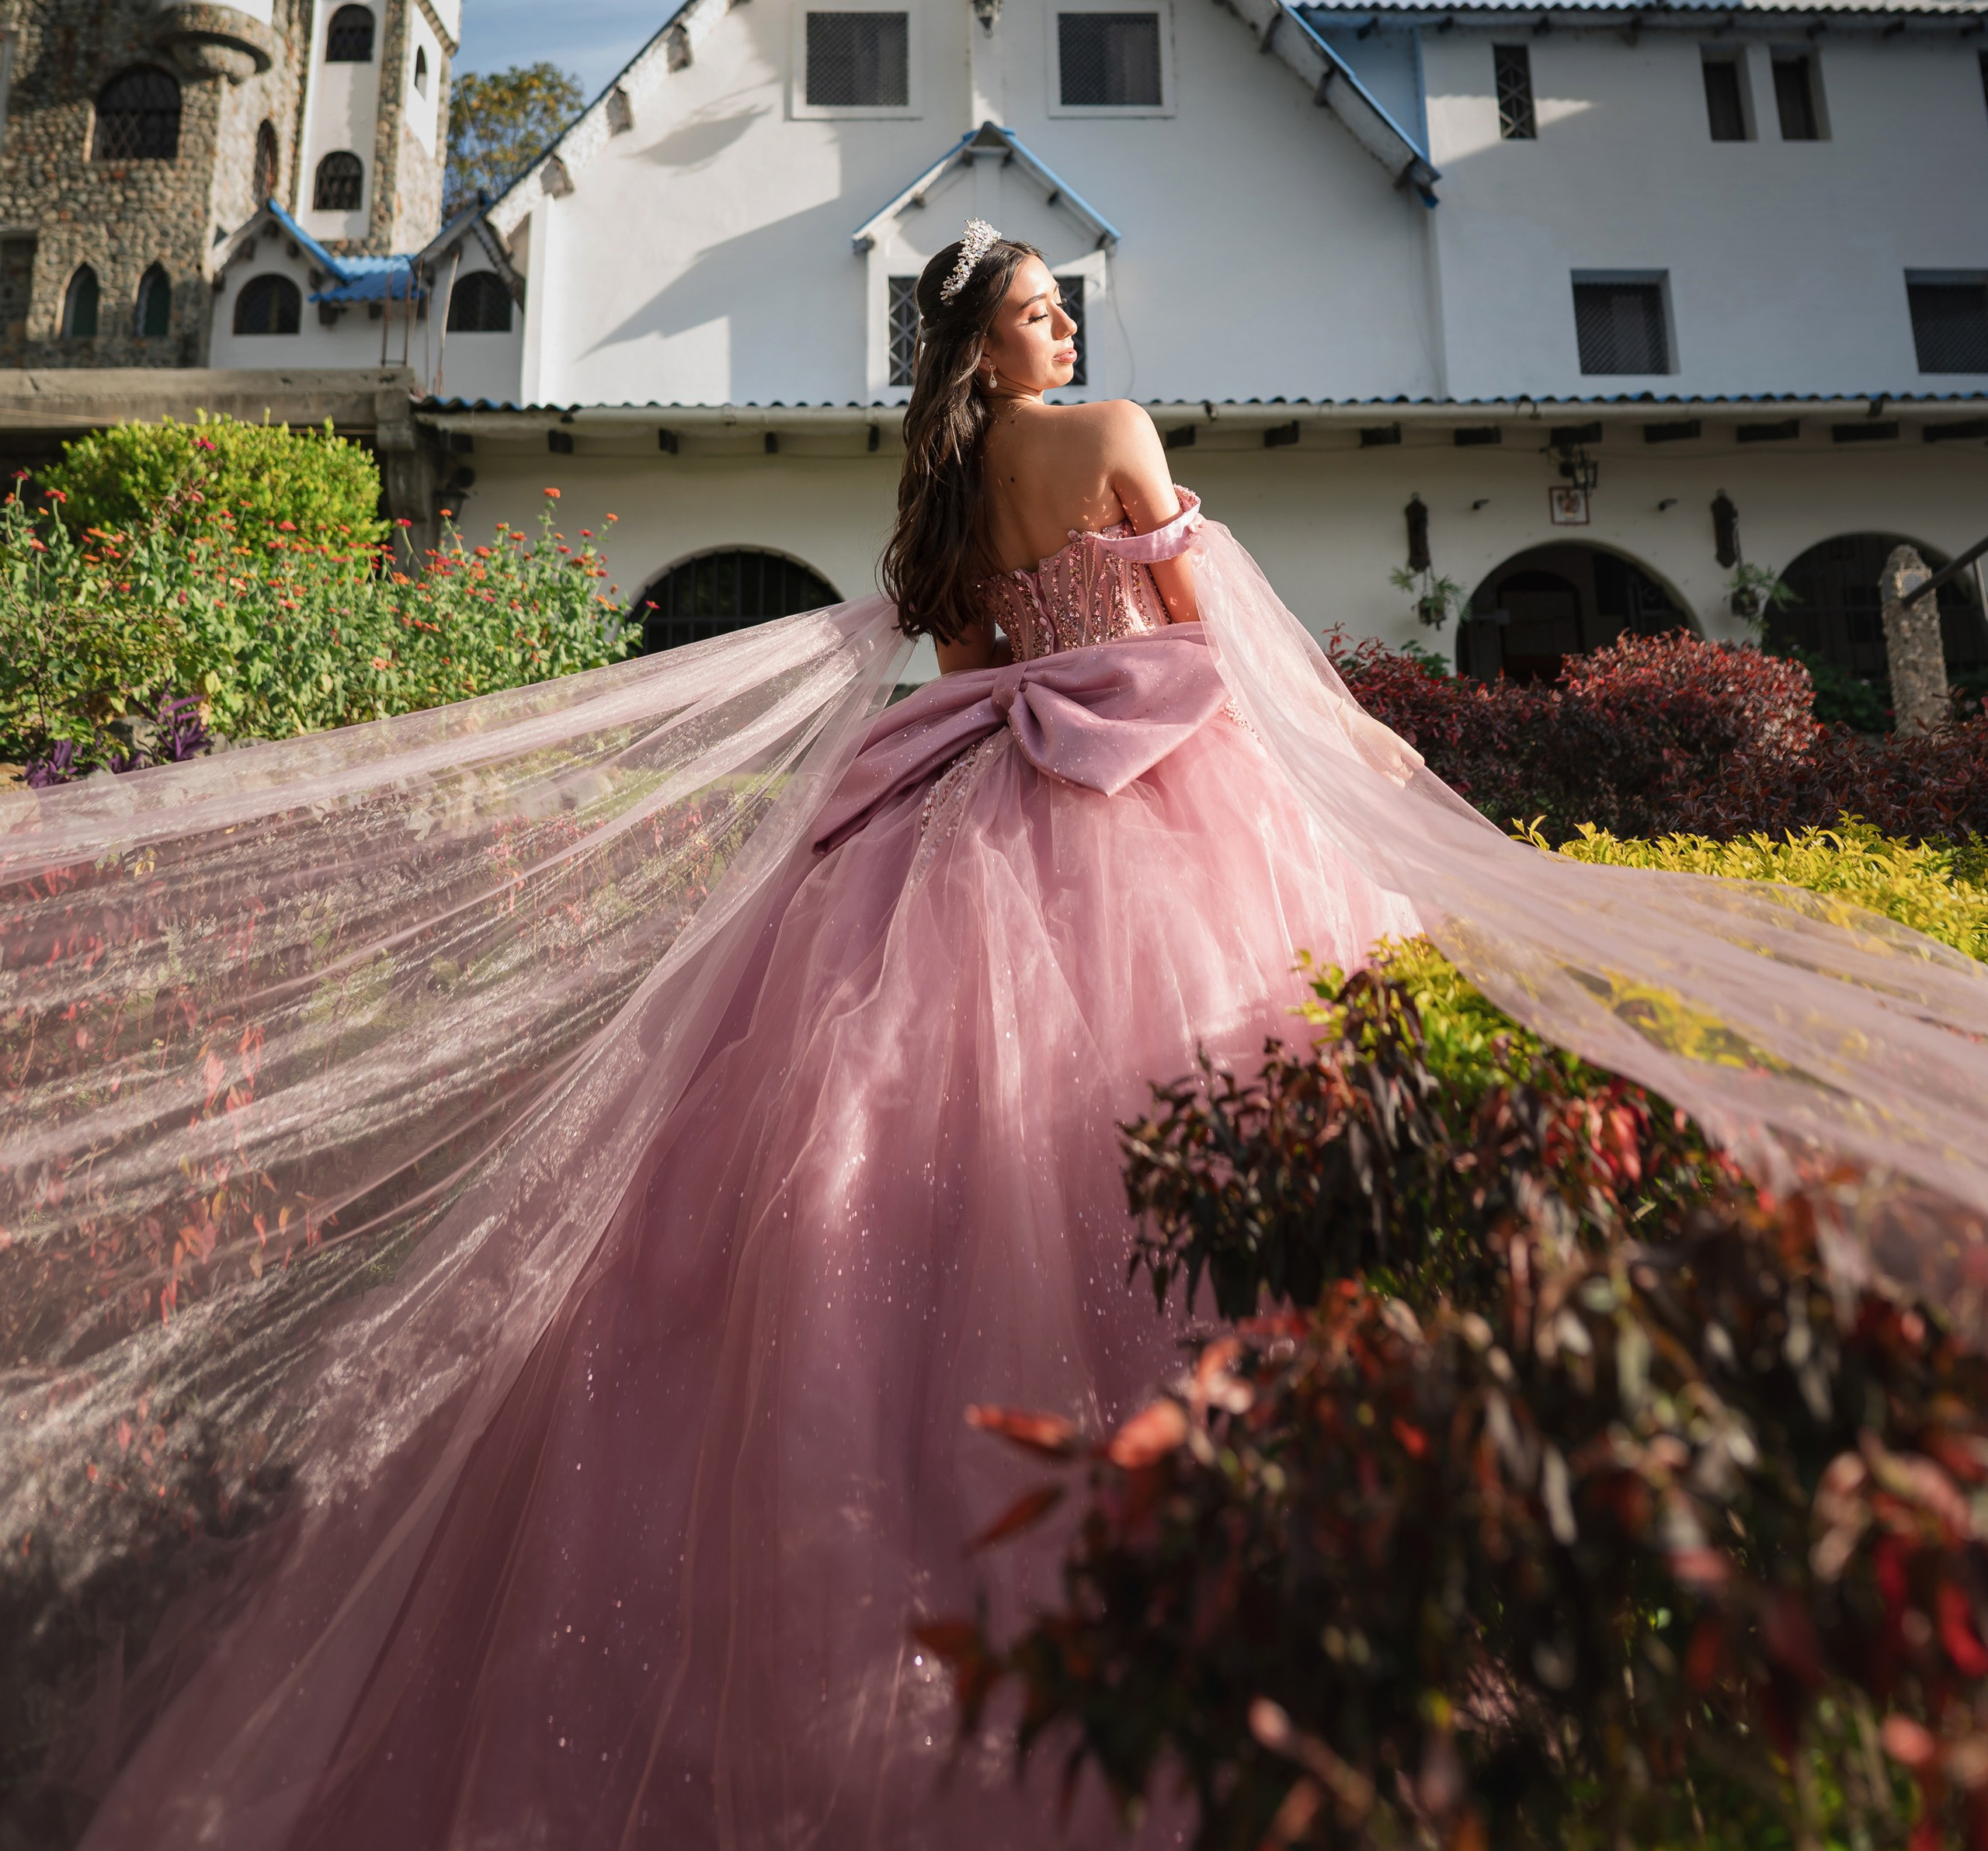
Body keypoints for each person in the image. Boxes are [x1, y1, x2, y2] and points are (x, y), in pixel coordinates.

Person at [19, 223, 1988, 1846]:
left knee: (890, 1173)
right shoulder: (1112, 431)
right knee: (1163, 1118)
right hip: (1148, 810)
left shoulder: (945, 498)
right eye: (1039, 301)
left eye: (1067, 304)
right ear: (985, 332)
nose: (1067, 320)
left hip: (965, 822)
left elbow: (982, 665)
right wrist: (1367, 745)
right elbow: (1215, 637)